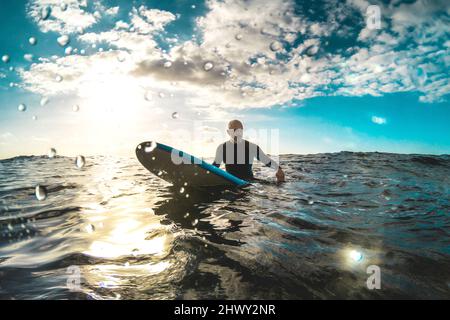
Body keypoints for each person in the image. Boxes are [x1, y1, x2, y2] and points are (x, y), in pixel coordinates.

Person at [212, 120, 285, 183]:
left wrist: (279, 169)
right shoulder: (222, 148)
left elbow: (265, 160)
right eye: (234, 130)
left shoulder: (251, 147)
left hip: (249, 182)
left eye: (239, 130)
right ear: (228, 132)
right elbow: (215, 166)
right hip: (230, 181)